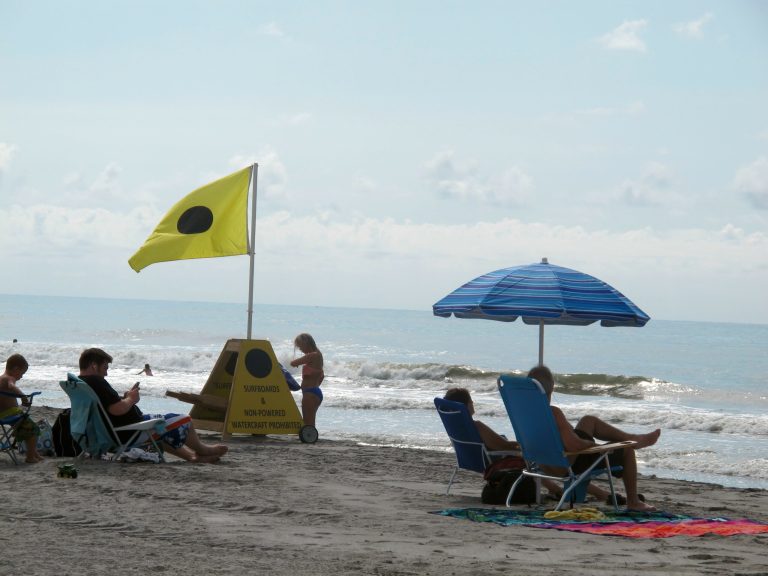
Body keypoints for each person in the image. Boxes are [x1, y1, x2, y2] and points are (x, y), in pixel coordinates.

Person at [528, 365, 660, 512]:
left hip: (543, 463)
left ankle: (634, 438)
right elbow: (574, 445)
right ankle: (634, 502)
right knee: (626, 450)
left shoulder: (525, 413)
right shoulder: (552, 413)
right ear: (551, 388)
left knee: (588, 421)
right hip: (571, 463)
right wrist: (592, 445)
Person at [443, 387, 612, 501]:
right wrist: (522, 443)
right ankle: (600, 494)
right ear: (466, 405)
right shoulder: (477, 426)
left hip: (473, 460)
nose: (473, 404)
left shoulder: (457, 427)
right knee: (537, 457)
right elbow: (503, 446)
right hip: (498, 462)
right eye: (471, 401)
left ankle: (559, 490)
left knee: (536, 459)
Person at [78, 348, 228, 463]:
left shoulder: (81, 384)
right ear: (93, 365)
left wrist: (124, 399)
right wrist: (131, 399)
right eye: (105, 368)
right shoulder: (97, 382)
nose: (106, 374)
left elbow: (108, 407)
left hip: (109, 432)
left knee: (160, 429)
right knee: (184, 420)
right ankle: (203, 450)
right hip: (128, 432)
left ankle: (192, 456)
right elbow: (117, 410)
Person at [0, 354, 43, 463]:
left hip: (3, 415)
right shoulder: (9, 378)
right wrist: (24, 397)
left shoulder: (1, 378)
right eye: (22, 373)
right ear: (16, 369)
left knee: (25, 430)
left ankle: (34, 454)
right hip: (11, 415)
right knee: (33, 430)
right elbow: (12, 386)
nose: (22, 376)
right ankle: (30, 457)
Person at [289, 333, 323, 428]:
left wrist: (296, 363)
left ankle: (310, 438)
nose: (300, 349)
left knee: (308, 421)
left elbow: (293, 363)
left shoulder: (313, 355)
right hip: (313, 391)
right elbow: (321, 375)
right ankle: (309, 437)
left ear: (306, 343)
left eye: (300, 347)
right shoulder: (319, 355)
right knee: (309, 420)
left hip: (310, 393)